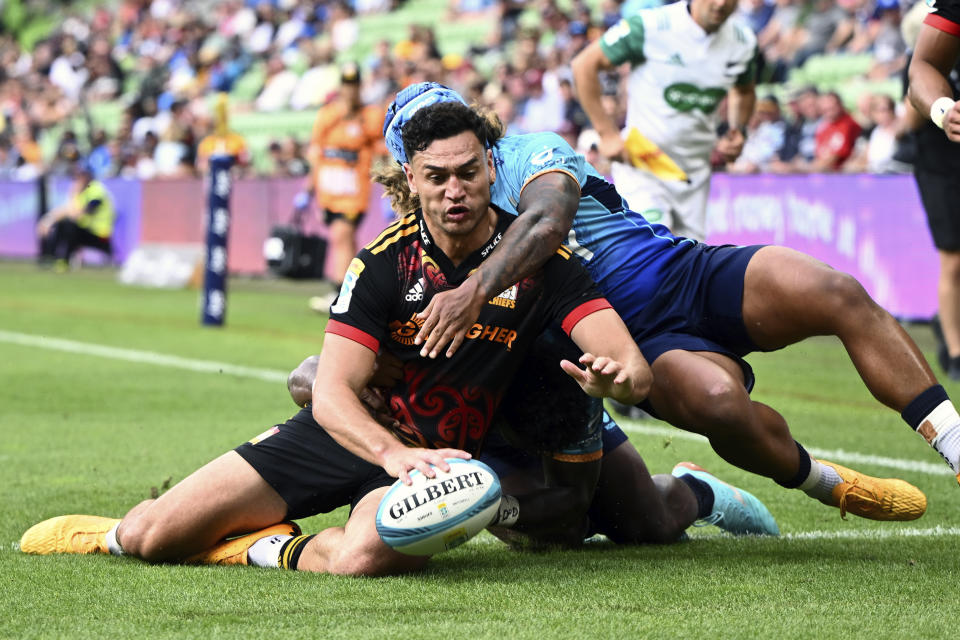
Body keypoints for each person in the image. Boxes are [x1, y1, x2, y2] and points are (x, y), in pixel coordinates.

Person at [21, 102, 779, 575]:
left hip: (439, 460)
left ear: (493, 170)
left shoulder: (541, 263)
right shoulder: (384, 263)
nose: (455, 192)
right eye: (436, 177)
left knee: (359, 558)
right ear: (409, 182)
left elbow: (631, 366)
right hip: (359, 438)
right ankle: (178, 534)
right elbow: (330, 391)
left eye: (469, 173)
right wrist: (391, 451)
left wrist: (619, 382)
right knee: (152, 539)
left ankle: (261, 545)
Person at [385, 82, 951, 523]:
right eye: (430, 147)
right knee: (719, 402)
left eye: (456, 125)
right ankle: (825, 483)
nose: (453, 154)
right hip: (630, 342)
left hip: (683, 271)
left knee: (835, 290)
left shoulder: (526, 150)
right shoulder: (427, 231)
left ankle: (953, 442)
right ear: (410, 171)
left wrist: (475, 289)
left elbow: (548, 218)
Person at [570, 0, 757, 241]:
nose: (720, 4)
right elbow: (583, 64)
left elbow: (744, 91)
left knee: (690, 264)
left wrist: (738, 130)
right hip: (643, 162)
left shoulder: (743, 42)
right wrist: (607, 133)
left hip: (694, 174)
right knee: (655, 250)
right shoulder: (651, 26)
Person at [302, 62, 385, 312]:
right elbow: (316, 151)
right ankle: (349, 291)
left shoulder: (370, 115)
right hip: (329, 190)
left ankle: (341, 292)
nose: (350, 91)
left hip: (353, 192)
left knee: (342, 235)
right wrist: (309, 188)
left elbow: (381, 148)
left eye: (354, 85)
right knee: (341, 239)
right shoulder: (328, 115)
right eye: (346, 85)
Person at [906, 0, 960, 379]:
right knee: (953, 259)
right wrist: (943, 108)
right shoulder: (930, 50)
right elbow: (910, 112)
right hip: (941, 166)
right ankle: (955, 349)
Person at [36, 164, 115, 271]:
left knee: (69, 225)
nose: (78, 179)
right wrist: (47, 221)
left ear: (88, 176)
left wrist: (74, 194)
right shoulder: (83, 191)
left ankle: (64, 260)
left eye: (81, 176)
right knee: (61, 224)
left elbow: (85, 211)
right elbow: (67, 210)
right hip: (86, 232)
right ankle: (51, 258)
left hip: (101, 235)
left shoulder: (96, 188)